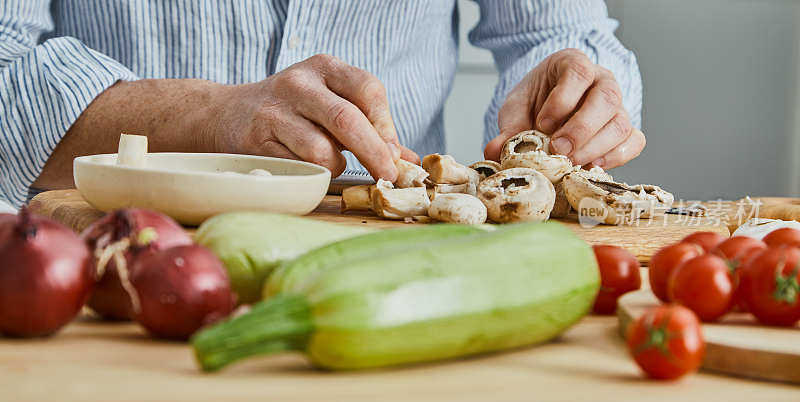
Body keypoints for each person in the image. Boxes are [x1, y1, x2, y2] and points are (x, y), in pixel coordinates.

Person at [0, 1, 644, 210]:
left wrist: (571, 105)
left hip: (403, 262)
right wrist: (212, 118)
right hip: (117, 258)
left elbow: (551, 30)